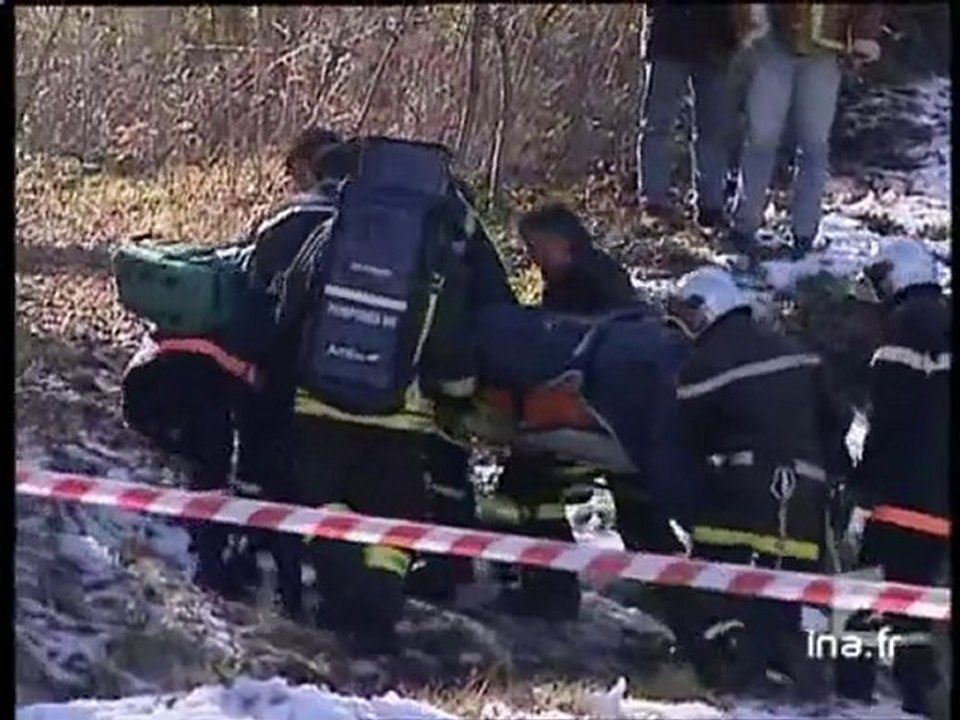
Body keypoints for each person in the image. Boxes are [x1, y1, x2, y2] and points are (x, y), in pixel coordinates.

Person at [485, 203, 685, 621]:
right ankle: (687, 607)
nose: (532, 259)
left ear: (561, 243)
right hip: (625, 417)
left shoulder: (581, 285)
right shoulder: (602, 276)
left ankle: (550, 592)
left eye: (535, 247)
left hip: (589, 411)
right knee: (638, 511)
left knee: (526, 491)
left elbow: (560, 350)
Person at [663, 266, 852, 697]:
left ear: (708, 309)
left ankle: (731, 668)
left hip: (741, 489)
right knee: (791, 581)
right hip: (806, 493)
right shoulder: (797, 350)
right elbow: (837, 418)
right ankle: (800, 666)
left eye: (687, 316)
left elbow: (686, 437)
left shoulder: (703, 365)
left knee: (716, 574)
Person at [835, 240, 949, 716]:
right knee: (920, 596)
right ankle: (919, 686)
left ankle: (851, 690)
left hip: (901, 494)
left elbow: (889, 418)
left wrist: (863, 483)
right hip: (943, 502)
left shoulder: (903, 331)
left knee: (862, 592)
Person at [728, 4, 885, 258]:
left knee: (814, 145)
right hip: (773, 43)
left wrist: (862, 35)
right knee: (761, 138)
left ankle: (805, 233)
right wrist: (749, 23)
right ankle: (745, 226)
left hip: (825, 49)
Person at [638, 4, 739, 231]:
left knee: (713, 129)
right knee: (658, 125)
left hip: (717, 38)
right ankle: (654, 203)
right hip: (669, 34)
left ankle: (711, 206)